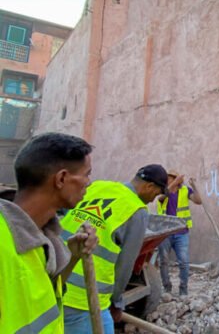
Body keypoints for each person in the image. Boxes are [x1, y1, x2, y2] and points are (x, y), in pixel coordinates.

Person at [0, 132, 98, 333]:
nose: (89, 183)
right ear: (61, 178)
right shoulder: (4, 241)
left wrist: (74, 257)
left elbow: (45, 296)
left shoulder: (42, 235)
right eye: (87, 174)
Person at [60, 164, 169, 334]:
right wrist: (116, 302)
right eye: (155, 194)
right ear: (149, 186)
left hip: (54, 280)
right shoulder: (136, 210)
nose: (152, 200)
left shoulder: (98, 186)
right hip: (84, 298)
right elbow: (125, 265)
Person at [157, 171, 202, 295]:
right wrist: (173, 184)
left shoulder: (185, 190)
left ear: (175, 179)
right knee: (163, 262)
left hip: (181, 232)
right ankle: (167, 287)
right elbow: (161, 199)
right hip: (164, 232)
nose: (167, 180)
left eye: (169, 178)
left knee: (183, 262)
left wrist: (194, 186)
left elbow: (198, 201)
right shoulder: (163, 191)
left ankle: (183, 289)